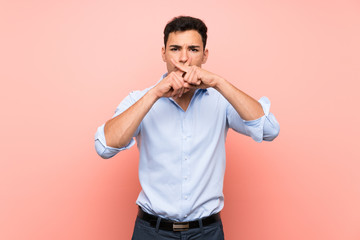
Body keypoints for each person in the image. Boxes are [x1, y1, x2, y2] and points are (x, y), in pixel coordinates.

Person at [95, 16, 280, 240]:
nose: (184, 58)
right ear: (163, 53)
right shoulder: (140, 98)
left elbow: (269, 129)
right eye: (175, 49)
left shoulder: (220, 100)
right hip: (151, 232)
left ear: (205, 55)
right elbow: (104, 147)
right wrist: (154, 93)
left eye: (193, 49)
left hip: (207, 232)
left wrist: (219, 83)